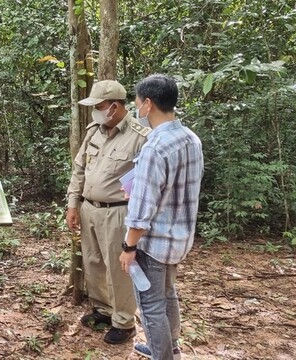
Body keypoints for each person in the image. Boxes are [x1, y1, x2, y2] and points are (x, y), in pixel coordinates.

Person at [120, 74, 204, 360]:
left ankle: (162, 355)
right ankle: (171, 348)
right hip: (179, 239)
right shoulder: (191, 139)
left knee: (151, 304)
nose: (137, 109)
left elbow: (141, 212)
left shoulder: (154, 147)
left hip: (153, 244)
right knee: (168, 295)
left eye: (136, 103)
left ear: (148, 104)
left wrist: (129, 247)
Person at [65, 80, 150, 344]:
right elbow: (79, 168)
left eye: (99, 107)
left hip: (118, 213)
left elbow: (146, 183)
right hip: (90, 208)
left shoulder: (140, 136)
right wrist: (72, 203)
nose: (96, 112)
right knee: (93, 262)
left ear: (114, 107)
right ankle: (103, 309)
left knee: (118, 267)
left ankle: (124, 322)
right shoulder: (94, 131)